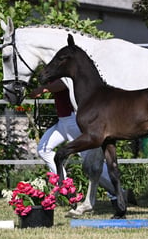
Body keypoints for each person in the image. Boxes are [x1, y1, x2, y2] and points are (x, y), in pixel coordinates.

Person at [29, 78, 136, 215]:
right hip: (63, 121)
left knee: (90, 163)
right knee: (43, 149)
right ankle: (66, 186)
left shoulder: (64, 67)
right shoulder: (53, 70)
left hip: (74, 120)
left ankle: (117, 194)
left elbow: (65, 83)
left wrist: (42, 89)